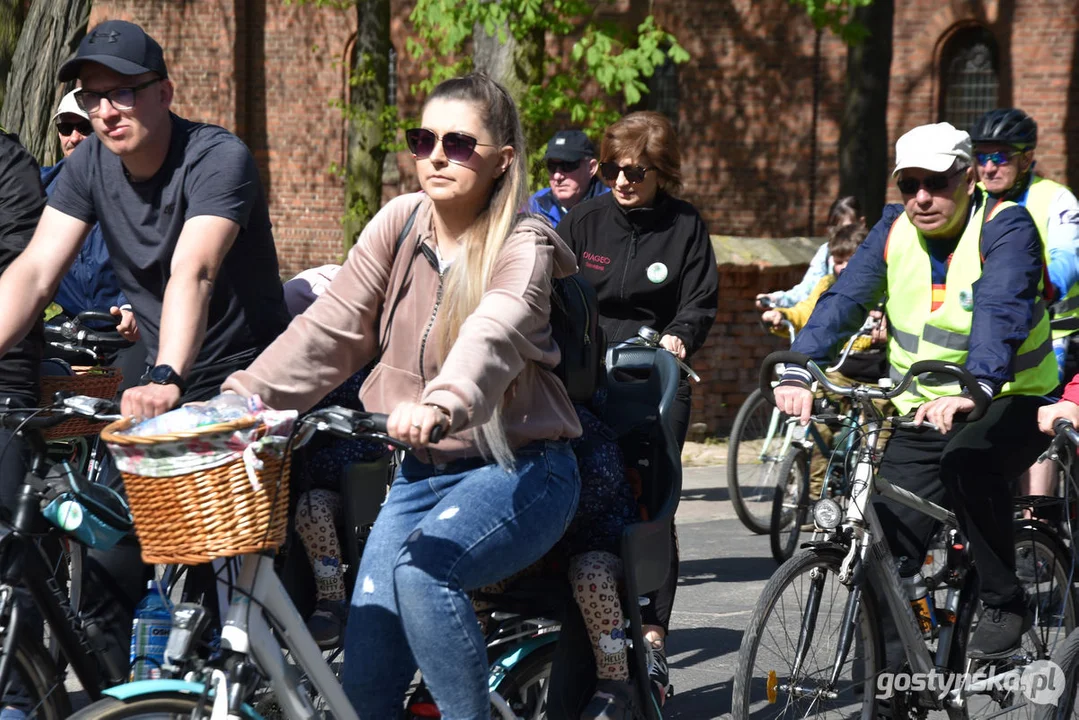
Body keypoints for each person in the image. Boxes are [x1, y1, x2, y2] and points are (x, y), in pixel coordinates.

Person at [221, 73, 583, 718]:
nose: (437, 155)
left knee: (422, 575)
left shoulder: (523, 246)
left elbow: (492, 334)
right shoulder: (399, 222)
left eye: (459, 143)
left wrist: (442, 404)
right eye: (423, 139)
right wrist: (240, 400)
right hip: (420, 475)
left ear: (503, 160)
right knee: (365, 680)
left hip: (521, 468)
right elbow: (331, 330)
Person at [772, 122, 1056, 661]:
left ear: (969, 179)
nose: (922, 197)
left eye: (938, 182)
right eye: (909, 184)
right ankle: (888, 687)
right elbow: (844, 300)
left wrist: (982, 386)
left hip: (1011, 395)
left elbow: (1001, 307)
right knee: (882, 546)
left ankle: (1005, 599)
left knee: (970, 464)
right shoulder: (892, 229)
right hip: (923, 408)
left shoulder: (1006, 226)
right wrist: (799, 367)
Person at [0, 19, 290, 422]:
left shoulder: (217, 158)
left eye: (122, 94)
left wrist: (166, 377)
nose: (105, 113)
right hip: (161, 369)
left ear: (164, 93)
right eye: (91, 98)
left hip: (243, 374)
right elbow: (35, 271)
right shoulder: (89, 164)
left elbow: (195, 272)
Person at [555, 110, 719, 704]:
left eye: (638, 173)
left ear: (662, 174)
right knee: (584, 490)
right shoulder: (583, 221)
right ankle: (583, 621)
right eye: (616, 170)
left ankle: (651, 635)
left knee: (651, 502)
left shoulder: (684, 227)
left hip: (655, 376)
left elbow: (700, 301)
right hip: (584, 377)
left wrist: (679, 336)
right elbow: (550, 291)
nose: (624, 182)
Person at [970, 108, 1079, 500]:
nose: (988, 167)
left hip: (1055, 336)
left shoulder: (1055, 199)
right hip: (992, 334)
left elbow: (1068, 257)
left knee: (1039, 422)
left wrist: (1043, 282)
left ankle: (1038, 522)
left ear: (1026, 158)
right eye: (981, 156)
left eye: (1001, 156)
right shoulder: (971, 202)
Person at [0, 131, 47, 720]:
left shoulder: (7, 162)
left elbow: (24, 267)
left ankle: (19, 699)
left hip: (3, 379)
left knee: (8, 551)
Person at [755, 196, 864, 310]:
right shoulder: (826, 252)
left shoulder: (874, 252)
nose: (839, 234)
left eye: (846, 228)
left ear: (861, 223)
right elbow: (807, 290)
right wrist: (776, 298)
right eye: (834, 229)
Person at [527, 129, 609, 226]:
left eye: (568, 165)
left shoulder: (611, 206)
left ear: (591, 168)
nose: (557, 176)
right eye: (551, 166)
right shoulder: (536, 203)